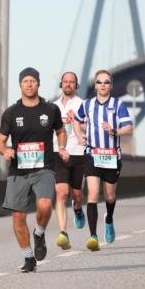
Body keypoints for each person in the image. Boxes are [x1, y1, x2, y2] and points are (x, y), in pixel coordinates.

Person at [0, 68, 67, 272]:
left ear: (38, 84)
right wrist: (5, 150)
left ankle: (40, 232)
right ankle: (28, 258)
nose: (29, 84)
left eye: (33, 81)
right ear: (20, 84)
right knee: (18, 216)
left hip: (44, 167)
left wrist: (61, 147)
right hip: (19, 170)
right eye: (25, 81)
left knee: (44, 205)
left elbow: (61, 131)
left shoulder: (51, 109)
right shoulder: (11, 113)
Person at [73, 69, 133, 251]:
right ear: (95, 85)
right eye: (99, 82)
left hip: (112, 156)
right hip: (92, 154)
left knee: (109, 195)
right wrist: (79, 135)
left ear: (111, 85)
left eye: (106, 82)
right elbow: (76, 120)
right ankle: (93, 236)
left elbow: (128, 128)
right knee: (92, 195)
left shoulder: (119, 104)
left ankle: (109, 219)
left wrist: (114, 131)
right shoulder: (87, 104)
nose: (103, 85)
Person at [52, 71, 86, 250]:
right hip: (59, 154)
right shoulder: (53, 106)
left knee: (77, 195)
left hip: (79, 153)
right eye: (65, 81)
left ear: (76, 85)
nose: (68, 84)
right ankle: (63, 232)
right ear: (61, 84)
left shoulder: (83, 105)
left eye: (72, 82)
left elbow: (91, 128)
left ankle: (78, 208)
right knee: (61, 193)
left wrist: (78, 122)